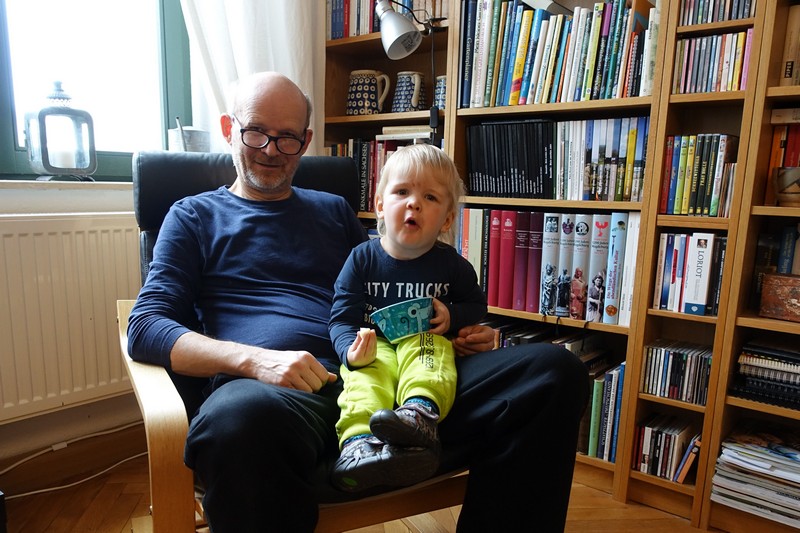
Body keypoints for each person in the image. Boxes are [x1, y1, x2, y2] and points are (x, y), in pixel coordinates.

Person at [127, 71, 588, 532]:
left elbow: (388, 283)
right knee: (234, 421)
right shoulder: (193, 217)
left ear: (306, 141)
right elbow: (146, 327)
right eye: (256, 132)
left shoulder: (332, 210)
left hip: (392, 380)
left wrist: (453, 329)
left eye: (287, 137)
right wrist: (257, 362)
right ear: (230, 129)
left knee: (553, 372)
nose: (271, 149)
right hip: (281, 401)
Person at [328, 144, 487, 492]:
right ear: (380, 205)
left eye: (430, 197)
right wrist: (350, 351)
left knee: (430, 351)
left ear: (447, 219)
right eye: (402, 192)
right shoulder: (362, 259)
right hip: (375, 346)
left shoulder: (452, 264)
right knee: (363, 381)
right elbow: (340, 318)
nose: (413, 203)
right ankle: (357, 445)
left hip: (423, 340)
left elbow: (477, 305)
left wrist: (452, 315)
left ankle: (418, 417)